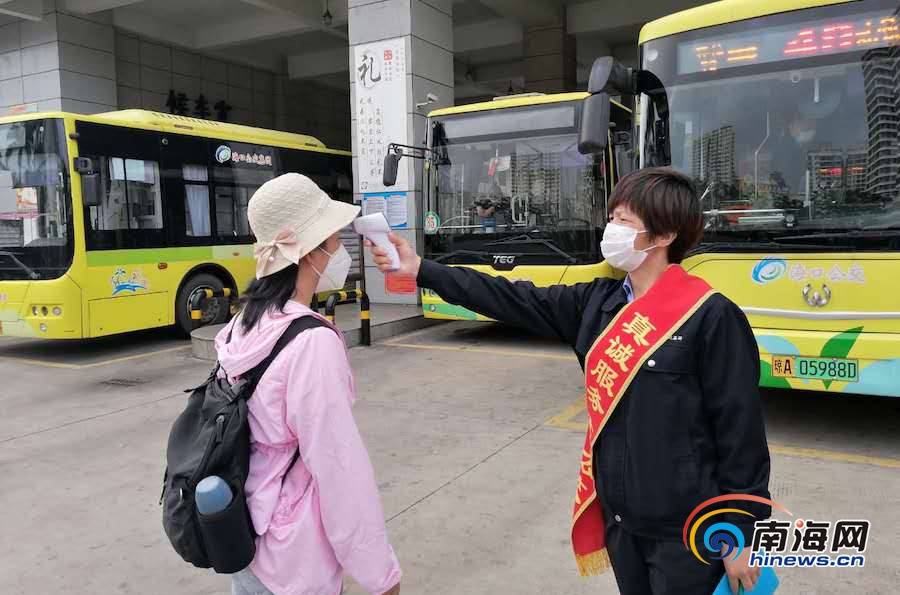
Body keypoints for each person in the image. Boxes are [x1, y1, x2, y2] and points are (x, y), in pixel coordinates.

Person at [368, 167, 771, 595]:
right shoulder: (596, 303)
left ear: (664, 235)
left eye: (624, 221)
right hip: (621, 519)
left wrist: (740, 531)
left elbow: (740, 432)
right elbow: (509, 296)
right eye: (612, 217)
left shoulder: (712, 316)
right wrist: (422, 269)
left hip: (688, 530)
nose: (611, 229)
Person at [216, 173, 402, 595]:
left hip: (245, 532)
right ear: (310, 251)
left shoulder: (242, 324)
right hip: (293, 557)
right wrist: (380, 574)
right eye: (334, 239)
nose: (339, 250)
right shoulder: (311, 342)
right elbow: (338, 468)